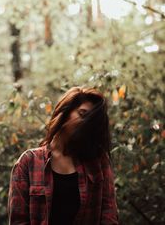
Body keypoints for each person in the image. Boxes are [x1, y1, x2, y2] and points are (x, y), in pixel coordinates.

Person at [8, 86, 119, 225]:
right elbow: (18, 220)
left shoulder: (98, 162)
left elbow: (109, 216)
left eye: (90, 121)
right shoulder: (28, 162)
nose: (85, 122)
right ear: (65, 111)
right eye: (82, 114)